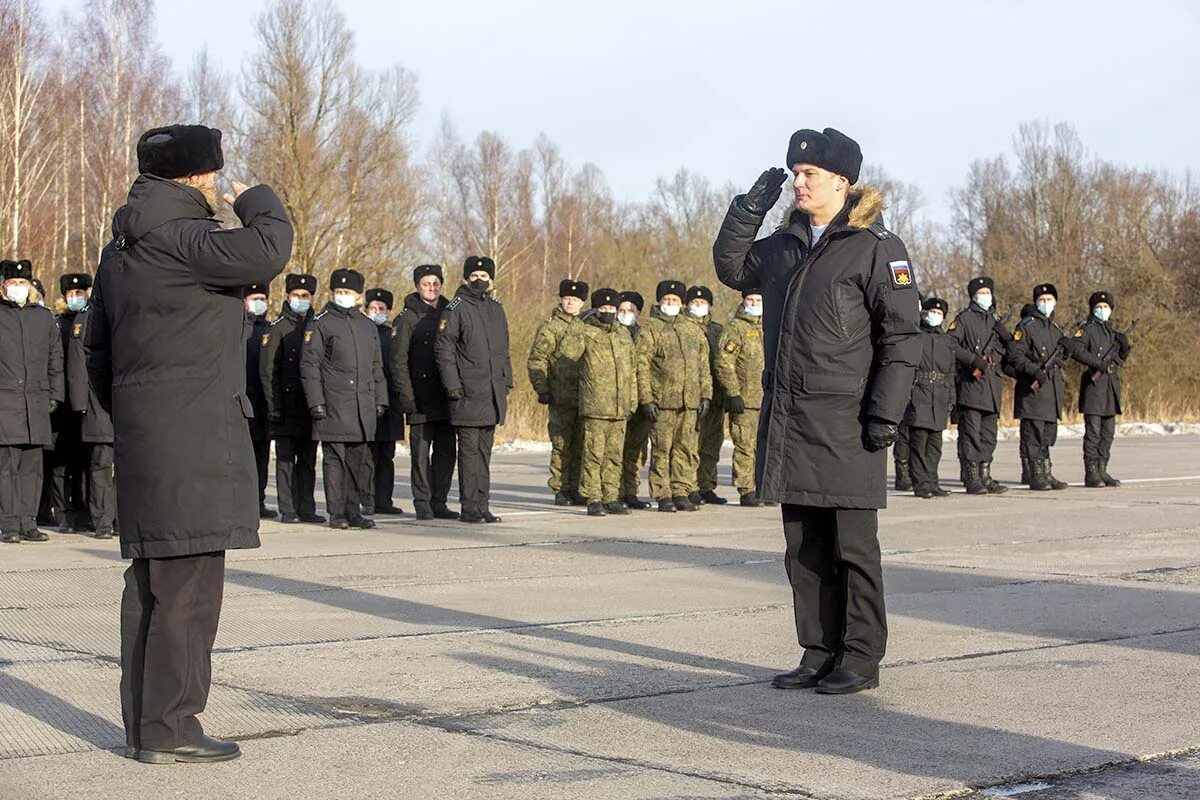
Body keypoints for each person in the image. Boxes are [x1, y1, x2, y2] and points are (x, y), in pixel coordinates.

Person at [86, 124, 292, 763]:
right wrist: (256, 196)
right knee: (190, 588)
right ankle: (173, 728)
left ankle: (148, 727)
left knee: (152, 584)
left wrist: (135, 409)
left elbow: (95, 347)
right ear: (196, 178)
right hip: (196, 435)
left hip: (148, 434)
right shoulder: (189, 240)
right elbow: (269, 250)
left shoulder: (120, 249)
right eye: (211, 177)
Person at [713, 127, 921, 694]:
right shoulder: (782, 247)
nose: (798, 183)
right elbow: (731, 268)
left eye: (810, 175)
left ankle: (859, 656)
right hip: (791, 421)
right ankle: (818, 649)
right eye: (795, 174)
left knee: (853, 547)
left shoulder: (877, 248)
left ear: (842, 182)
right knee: (803, 548)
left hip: (847, 421)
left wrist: (885, 413)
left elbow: (901, 337)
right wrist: (747, 210)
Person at [300, 268, 387, 529]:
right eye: (339, 292)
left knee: (357, 463)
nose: (343, 296)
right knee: (335, 461)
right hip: (333, 405)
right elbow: (309, 365)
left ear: (358, 295)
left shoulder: (366, 325)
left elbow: (376, 367)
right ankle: (336, 513)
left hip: (362, 407)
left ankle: (354, 510)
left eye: (348, 293)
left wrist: (380, 399)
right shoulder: (321, 322)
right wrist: (316, 401)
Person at [435, 256, 512, 524]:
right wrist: (453, 385)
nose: (480, 280)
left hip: (491, 394)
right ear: (467, 278)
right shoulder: (456, 308)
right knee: (468, 454)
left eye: (484, 276)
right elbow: (444, 350)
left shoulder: (495, 309)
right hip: (467, 393)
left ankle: (483, 504)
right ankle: (469, 507)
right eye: (475, 276)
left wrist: (507, 382)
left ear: (491, 279)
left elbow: (504, 350)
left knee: (484, 453)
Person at [0, 259, 64, 544]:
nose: (17, 289)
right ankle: (9, 524)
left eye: (22, 284)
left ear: (30, 286)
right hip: (5, 403)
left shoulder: (43, 317)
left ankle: (29, 522)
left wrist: (56, 394)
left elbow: (55, 359)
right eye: (12, 284)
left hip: (36, 404)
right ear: (3, 286)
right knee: (6, 469)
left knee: (32, 469)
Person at [558, 288, 637, 516]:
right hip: (596, 406)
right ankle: (593, 497)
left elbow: (631, 371)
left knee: (614, 455)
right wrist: (577, 326)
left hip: (619, 406)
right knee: (593, 454)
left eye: (612, 308)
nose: (608, 312)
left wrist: (631, 401)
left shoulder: (623, 335)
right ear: (595, 309)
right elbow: (568, 352)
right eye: (603, 308)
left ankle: (610, 496)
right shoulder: (586, 331)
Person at [636, 279, 711, 513]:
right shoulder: (650, 328)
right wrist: (646, 398)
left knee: (685, 448)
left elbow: (703, 365)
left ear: (682, 303)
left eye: (675, 300)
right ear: (659, 301)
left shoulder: (692, 329)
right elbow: (640, 365)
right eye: (667, 300)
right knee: (661, 449)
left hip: (689, 401)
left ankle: (681, 490)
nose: (671, 303)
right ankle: (662, 493)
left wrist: (706, 394)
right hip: (662, 402)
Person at [392, 264, 458, 521]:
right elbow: (398, 360)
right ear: (417, 286)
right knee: (420, 454)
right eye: (425, 284)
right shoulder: (407, 317)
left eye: (435, 283)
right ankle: (422, 502)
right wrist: (406, 396)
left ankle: (439, 500)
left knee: (446, 452)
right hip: (419, 397)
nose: (431, 288)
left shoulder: (451, 312)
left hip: (446, 396)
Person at [261, 273, 324, 524]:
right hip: (284, 407)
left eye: (305, 296)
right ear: (288, 296)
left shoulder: (317, 325)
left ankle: (306, 507)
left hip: (309, 406)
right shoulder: (277, 329)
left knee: (308, 461)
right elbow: (268, 372)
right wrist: (273, 405)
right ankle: (288, 509)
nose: (301, 300)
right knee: (286, 462)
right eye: (296, 295)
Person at [948, 276, 1011, 494]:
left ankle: (985, 474)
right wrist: (973, 360)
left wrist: (1008, 339)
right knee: (971, 435)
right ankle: (971, 476)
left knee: (988, 436)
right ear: (973, 296)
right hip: (971, 386)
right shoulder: (964, 319)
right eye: (981, 293)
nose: (985, 296)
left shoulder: (995, 322)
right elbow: (950, 344)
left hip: (993, 387)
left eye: (988, 292)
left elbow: (1010, 354)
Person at [63, 273, 115, 538]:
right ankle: (103, 520)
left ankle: (117, 517)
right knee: (101, 466)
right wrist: (80, 403)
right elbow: (77, 364)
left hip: (126, 405)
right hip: (99, 404)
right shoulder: (87, 319)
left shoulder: (126, 314)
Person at [527, 279, 588, 506]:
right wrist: (542, 388)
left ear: (583, 302)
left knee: (581, 445)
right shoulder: (551, 327)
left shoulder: (587, 328)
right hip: (560, 397)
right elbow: (537, 359)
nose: (570, 302)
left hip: (584, 398)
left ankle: (576, 487)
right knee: (562, 445)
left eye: (575, 299)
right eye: (567, 298)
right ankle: (560, 488)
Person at [1063, 290, 1130, 488]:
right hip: (1094, 387)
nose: (1102, 310)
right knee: (1093, 432)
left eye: (1106, 307)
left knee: (1108, 433)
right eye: (1099, 307)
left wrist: (1125, 348)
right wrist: (1097, 363)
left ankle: (1102, 469)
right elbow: (1076, 349)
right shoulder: (1086, 329)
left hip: (1110, 387)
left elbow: (1118, 361)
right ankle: (1091, 472)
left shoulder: (1111, 331)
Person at [1007, 283, 1070, 491]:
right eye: (1042, 300)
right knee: (1033, 436)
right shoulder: (1026, 326)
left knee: (1047, 436)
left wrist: (1067, 352)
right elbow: (1015, 355)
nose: (1046, 303)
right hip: (1033, 392)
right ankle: (1035, 475)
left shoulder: (1055, 328)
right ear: (1035, 302)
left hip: (1051, 392)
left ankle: (1046, 473)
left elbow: (1062, 359)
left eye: (1049, 299)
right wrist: (1034, 371)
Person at [714, 288, 766, 506]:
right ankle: (746, 488)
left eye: (758, 300)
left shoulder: (769, 326)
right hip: (744, 400)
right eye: (750, 300)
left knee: (763, 447)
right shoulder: (735, 328)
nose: (754, 303)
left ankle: (763, 487)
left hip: (767, 398)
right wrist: (733, 392)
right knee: (745, 445)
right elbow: (724, 361)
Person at [48, 273, 91, 531]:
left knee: (84, 463)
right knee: (60, 464)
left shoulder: (92, 320)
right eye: (71, 294)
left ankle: (84, 510)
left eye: (81, 292)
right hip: (61, 403)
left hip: (85, 402)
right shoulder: (57, 324)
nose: (76, 297)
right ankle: (63, 512)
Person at [904, 298, 957, 498]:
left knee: (935, 445)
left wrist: (952, 397)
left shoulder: (946, 341)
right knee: (919, 443)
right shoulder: (917, 337)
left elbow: (951, 373)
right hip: (920, 392)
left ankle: (933, 481)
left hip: (940, 395)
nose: (934, 316)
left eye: (938, 313)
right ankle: (920, 483)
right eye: (930, 312)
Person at [364, 287, 405, 515]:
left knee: (386, 456)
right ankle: (367, 499)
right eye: (373, 308)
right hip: (368, 400)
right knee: (368, 456)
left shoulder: (393, 336)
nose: (378, 312)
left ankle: (384, 499)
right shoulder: (362, 332)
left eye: (382, 308)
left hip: (391, 402)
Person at [686, 284, 728, 506]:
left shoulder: (718, 331)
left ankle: (706, 485)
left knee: (711, 444)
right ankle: (689, 485)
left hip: (716, 398)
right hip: (691, 396)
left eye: (702, 303)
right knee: (691, 443)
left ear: (710, 305)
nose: (698, 306)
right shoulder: (684, 329)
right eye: (694, 303)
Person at [617, 290, 653, 509]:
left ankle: (631, 490)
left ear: (638, 312)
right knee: (615, 450)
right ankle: (614, 492)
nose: (625, 314)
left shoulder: (644, 334)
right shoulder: (611, 333)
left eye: (630, 310)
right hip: (617, 400)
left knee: (636, 452)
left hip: (641, 400)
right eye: (622, 310)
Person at [243, 283, 274, 519]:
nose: (259, 303)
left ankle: (259, 500)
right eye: (254, 298)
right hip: (242, 401)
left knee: (261, 456)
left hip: (264, 404)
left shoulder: (269, 330)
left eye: (262, 298)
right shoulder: (237, 328)